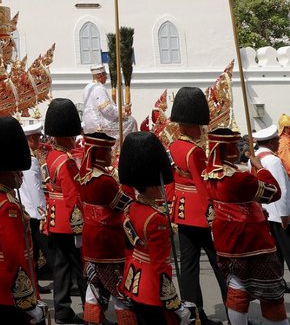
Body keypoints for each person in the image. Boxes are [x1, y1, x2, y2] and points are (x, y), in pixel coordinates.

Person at [204, 128, 288, 325]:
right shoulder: (237, 178)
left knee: (237, 289)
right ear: (227, 149)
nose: (238, 148)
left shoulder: (208, 174)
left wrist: (255, 209)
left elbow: (234, 204)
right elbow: (273, 192)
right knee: (271, 294)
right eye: (235, 145)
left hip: (226, 242)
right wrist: (260, 168)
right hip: (252, 243)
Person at [117, 132, 191, 323]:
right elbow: (161, 265)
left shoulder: (131, 207)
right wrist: (174, 303)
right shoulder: (156, 218)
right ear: (150, 187)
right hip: (152, 288)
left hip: (133, 280)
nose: (162, 188)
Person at [0, 116, 44, 324]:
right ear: (8, 170)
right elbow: (15, 256)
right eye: (16, 170)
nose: (20, 174)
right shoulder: (8, 206)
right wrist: (27, 299)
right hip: (11, 284)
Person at [166, 87, 225, 325]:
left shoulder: (173, 147)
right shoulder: (195, 151)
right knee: (220, 265)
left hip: (181, 213)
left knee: (188, 268)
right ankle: (235, 313)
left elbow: (171, 182)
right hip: (201, 215)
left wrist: (172, 208)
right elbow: (204, 188)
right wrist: (213, 218)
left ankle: (193, 316)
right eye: (200, 126)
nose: (202, 130)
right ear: (192, 125)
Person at [78, 132, 130, 324]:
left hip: (90, 239)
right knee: (119, 288)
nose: (111, 153)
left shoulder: (84, 176)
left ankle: (93, 321)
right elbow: (122, 205)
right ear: (100, 153)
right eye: (108, 150)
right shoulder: (105, 181)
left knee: (93, 287)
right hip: (108, 240)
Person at [42, 98, 86, 324]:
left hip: (55, 219)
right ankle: (91, 309)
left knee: (61, 267)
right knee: (82, 269)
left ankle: (62, 310)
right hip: (69, 221)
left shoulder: (52, 155)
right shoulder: (67, 161)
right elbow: (72, 197)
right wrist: (79, 228)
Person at [18, 120, 49, 294]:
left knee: (33, 252)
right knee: (43, 251)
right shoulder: (30, 160)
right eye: (36, 137)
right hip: (33, 213)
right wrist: (42, 212)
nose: (39, 140)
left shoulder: (26, 157)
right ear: (30, 140)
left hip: (25, 210)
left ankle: (34, 283)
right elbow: (35, 190)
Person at [254, 124, 290, 272]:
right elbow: (281, 189)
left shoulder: (255, 158)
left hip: (265, 211)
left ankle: (277, 281)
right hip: (278, 214)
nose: (278, 144)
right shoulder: (272, 160)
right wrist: (285, 214)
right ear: (270, 143)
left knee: (276, 252)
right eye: (276, 141)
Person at [82, 66, 121, 139]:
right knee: (130, 121)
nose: (106, 77)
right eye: (105, 74)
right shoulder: (98, 88)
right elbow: (106, 109)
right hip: (100, 125)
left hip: (88, 125)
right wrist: (122, 110)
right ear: (100, 75)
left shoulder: (87, 87)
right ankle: (118, 149)